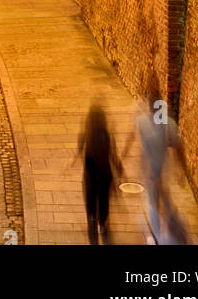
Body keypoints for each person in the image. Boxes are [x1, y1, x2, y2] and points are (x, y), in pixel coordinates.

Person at [123, 83, 182, 244]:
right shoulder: (169, 123)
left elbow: (131, 136)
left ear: (150, 108)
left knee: (153, 202)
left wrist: (124, 155)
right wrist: (178, 170)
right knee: (162, 196)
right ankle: (166, 222)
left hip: (149, 170)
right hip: (163, 168)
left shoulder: (142, 121)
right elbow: (177, 146)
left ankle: (157, 235)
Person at [75, 102, 122, 245]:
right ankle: (102, 224)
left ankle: (91, 218)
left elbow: (79, 149)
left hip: (90, 171)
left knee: (90, 197)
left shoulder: (86, 133)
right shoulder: (105, 133)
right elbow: (112, 153)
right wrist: (118, 166)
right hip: (104, 172)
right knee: (103, 199)